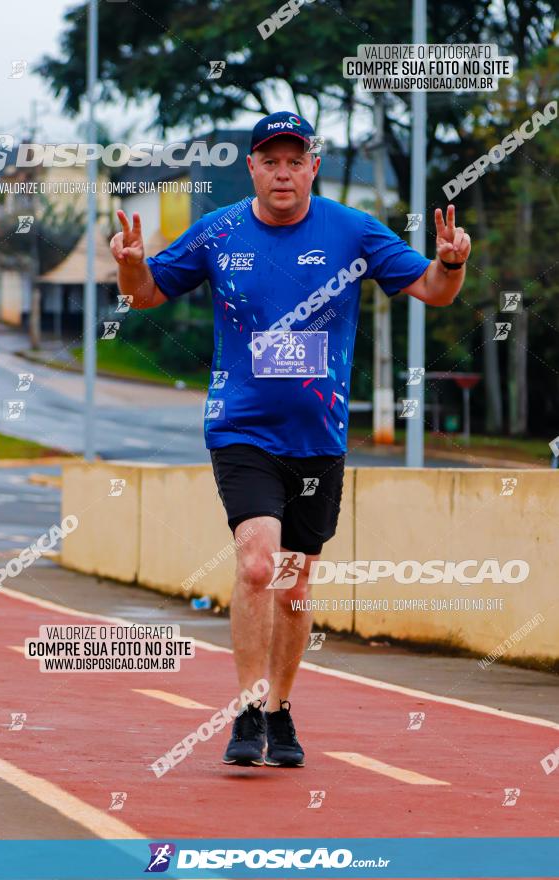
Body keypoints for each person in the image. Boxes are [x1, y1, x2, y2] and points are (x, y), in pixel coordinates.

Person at [110, 111, 471, 769]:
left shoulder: (351, 230)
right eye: (268, 160)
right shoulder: (218, 230)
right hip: (241, 428)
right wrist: (132, 268)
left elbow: (432, 290)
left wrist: (451, 263)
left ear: (312, 166)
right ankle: (247, 708)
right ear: (251, 166)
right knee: (257, 563)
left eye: (293, 159)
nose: (281, 171)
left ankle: (279, 706)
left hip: (317, 436)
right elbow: (147, 295)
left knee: (295, 584)